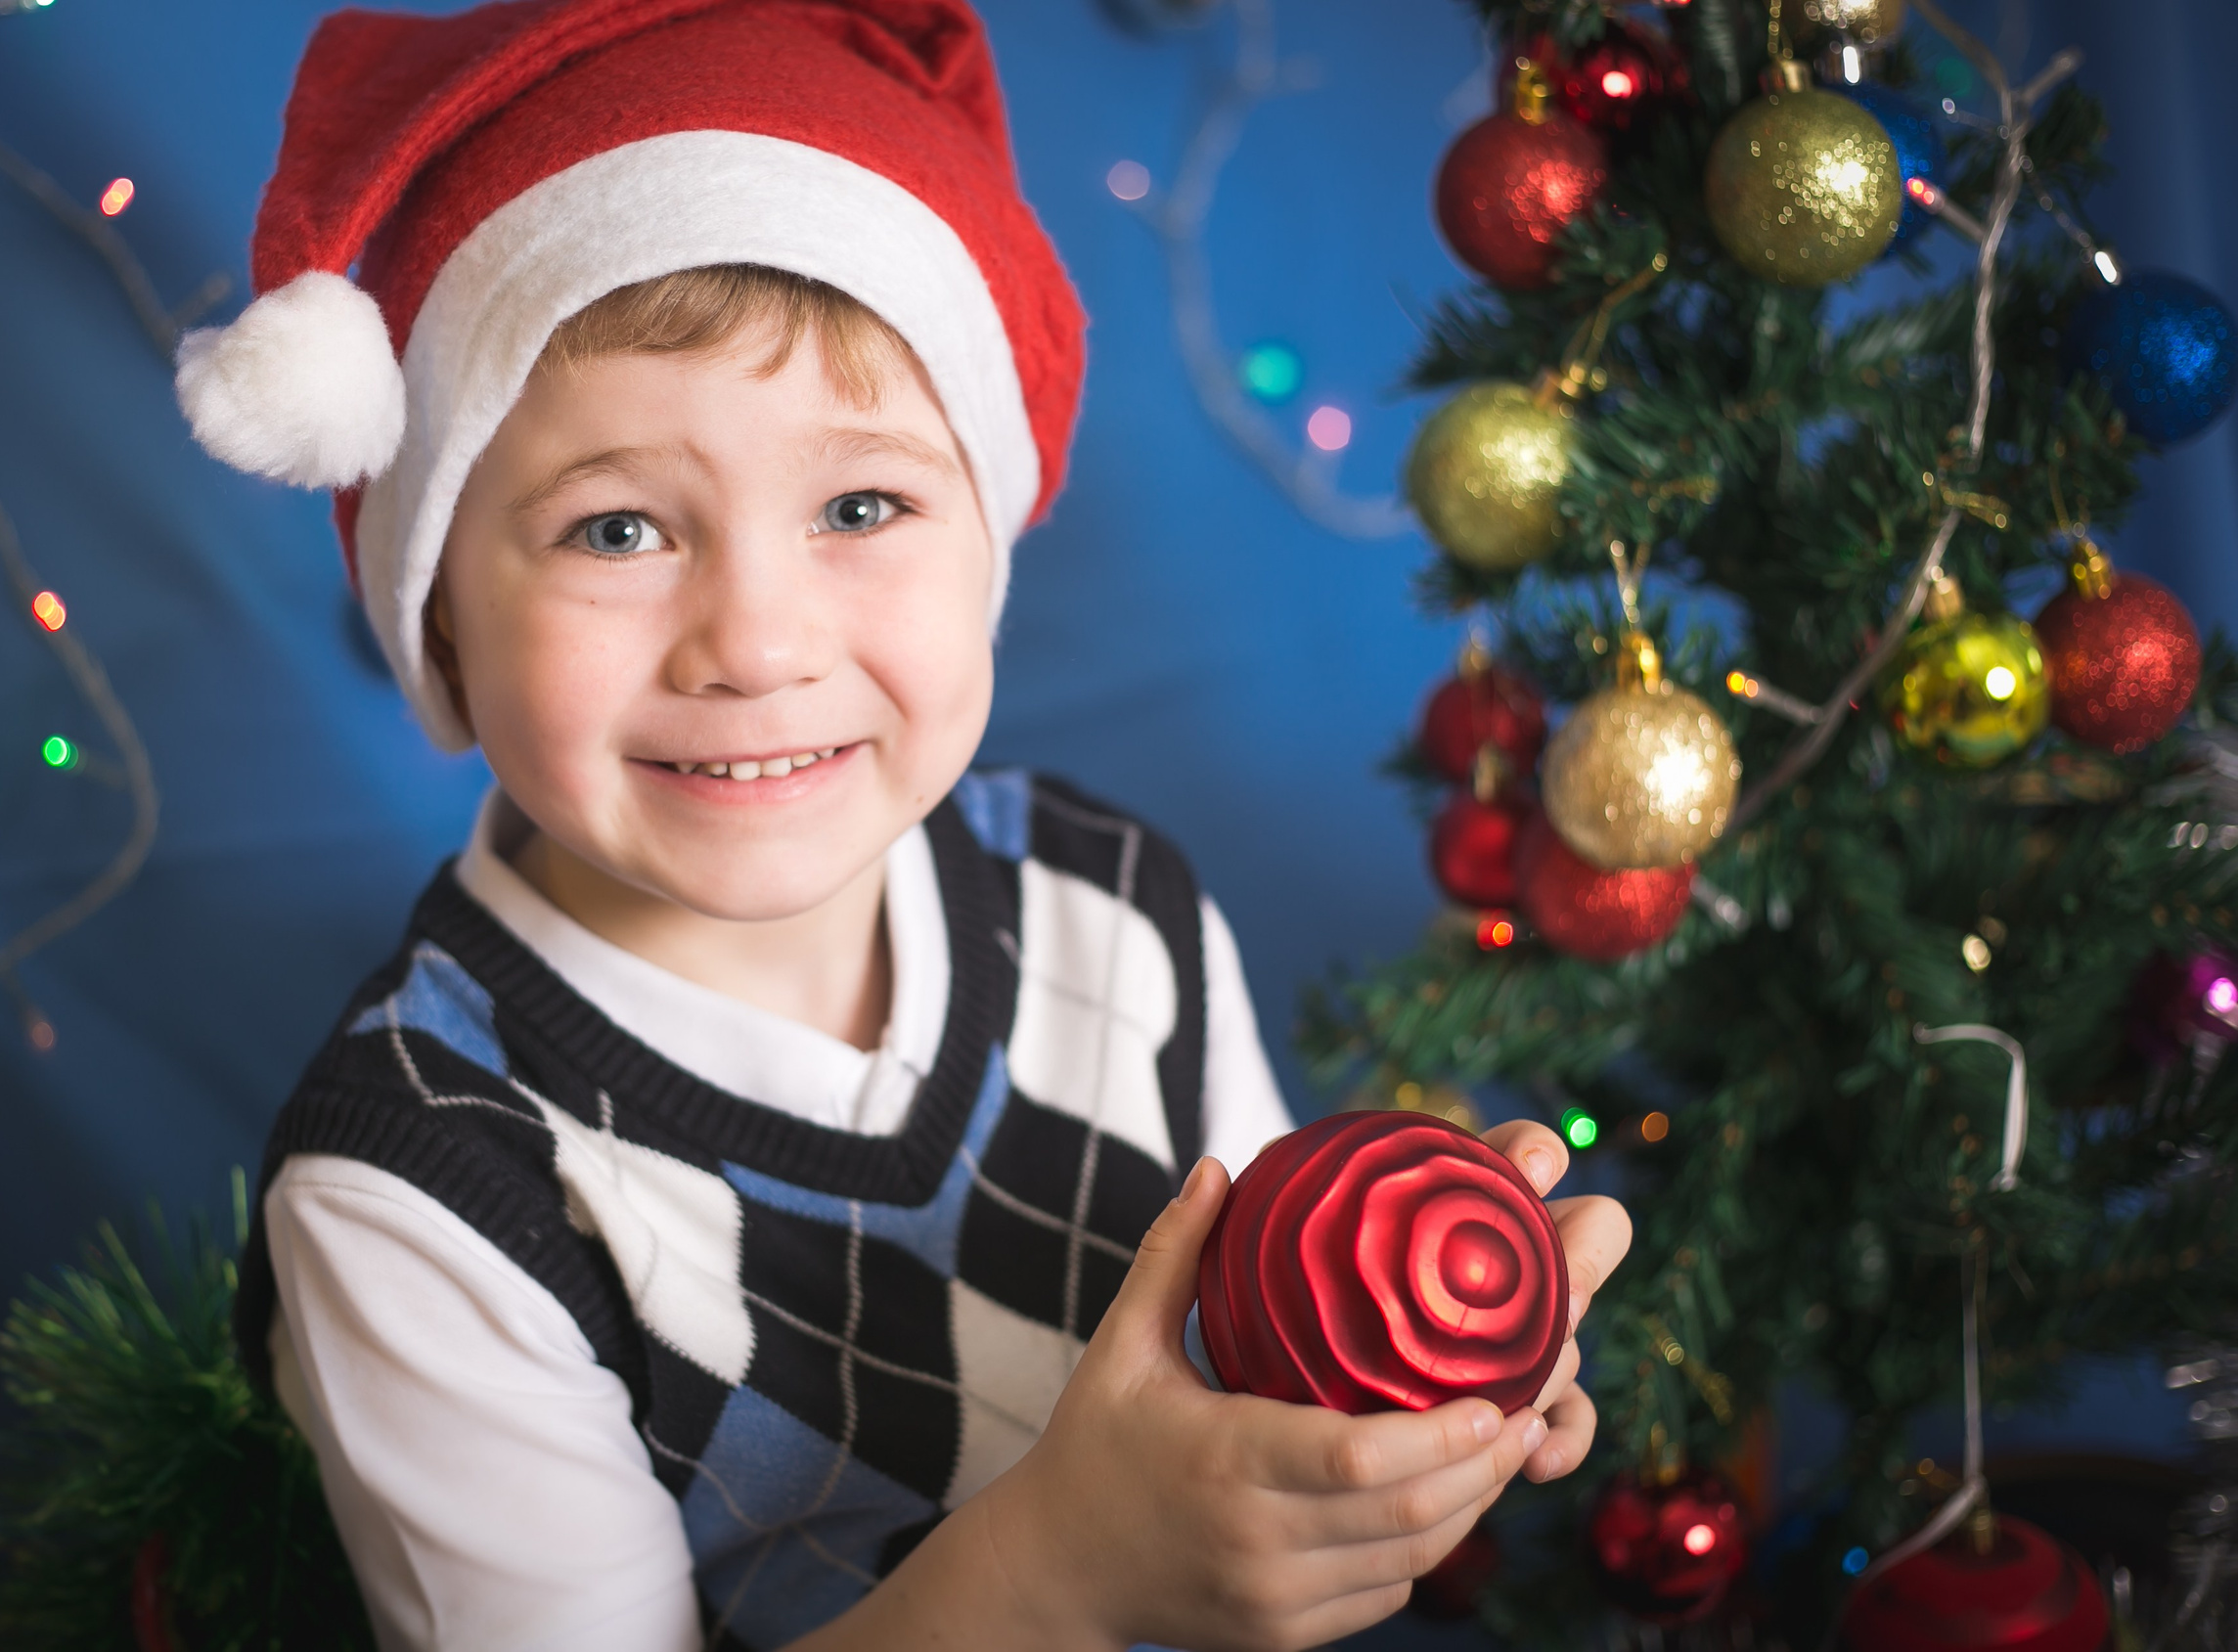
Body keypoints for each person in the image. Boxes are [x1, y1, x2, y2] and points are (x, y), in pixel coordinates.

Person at [177, 2, 1633, 1648]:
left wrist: (1412, 1386)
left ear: (988, 544)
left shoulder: (1112, 907)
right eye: (618, 525)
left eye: (860, 503)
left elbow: (1246, 1383)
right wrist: (1060, 1570)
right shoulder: (426, 1188)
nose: (758, 642)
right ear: (440, 614)